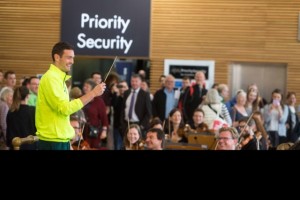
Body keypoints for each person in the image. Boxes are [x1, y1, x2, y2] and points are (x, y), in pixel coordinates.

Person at [35, 42, 106, 150]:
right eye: (69, 58)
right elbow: (65, 108)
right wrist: (93, 93)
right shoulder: (51, 78)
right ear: (57, 57)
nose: (72, 61)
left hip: (59, 139)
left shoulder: (58, 78)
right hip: (53, 141)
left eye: (73, 58)